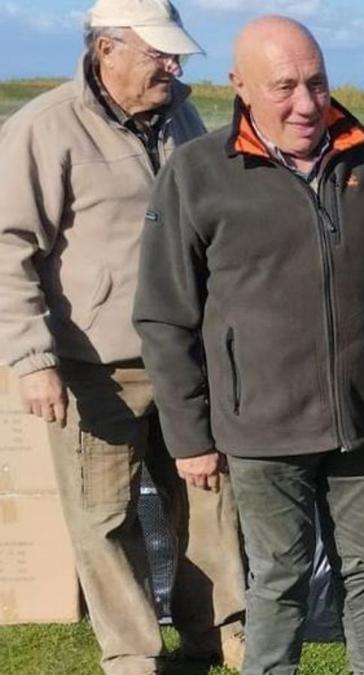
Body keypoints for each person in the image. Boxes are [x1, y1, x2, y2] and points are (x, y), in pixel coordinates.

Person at [133, 16, 364, 675]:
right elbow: (164, 316)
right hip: (260, 429)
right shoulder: (198, 174)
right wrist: (189, 434)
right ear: (240, 85)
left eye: (317, 82)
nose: (306, 103)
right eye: (284, 86)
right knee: (276, 575)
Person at [0, 1, 246, 672]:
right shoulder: (42, 129)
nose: (173, 64)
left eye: (174, 53)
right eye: (157, 53)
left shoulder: (184, 117)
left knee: (207, 500)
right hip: (93, 366)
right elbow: (8, 247)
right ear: (106, 50)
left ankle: (220, 632)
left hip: (188, 355)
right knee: (103, 520)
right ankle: (133, 654)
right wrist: (30, 357)